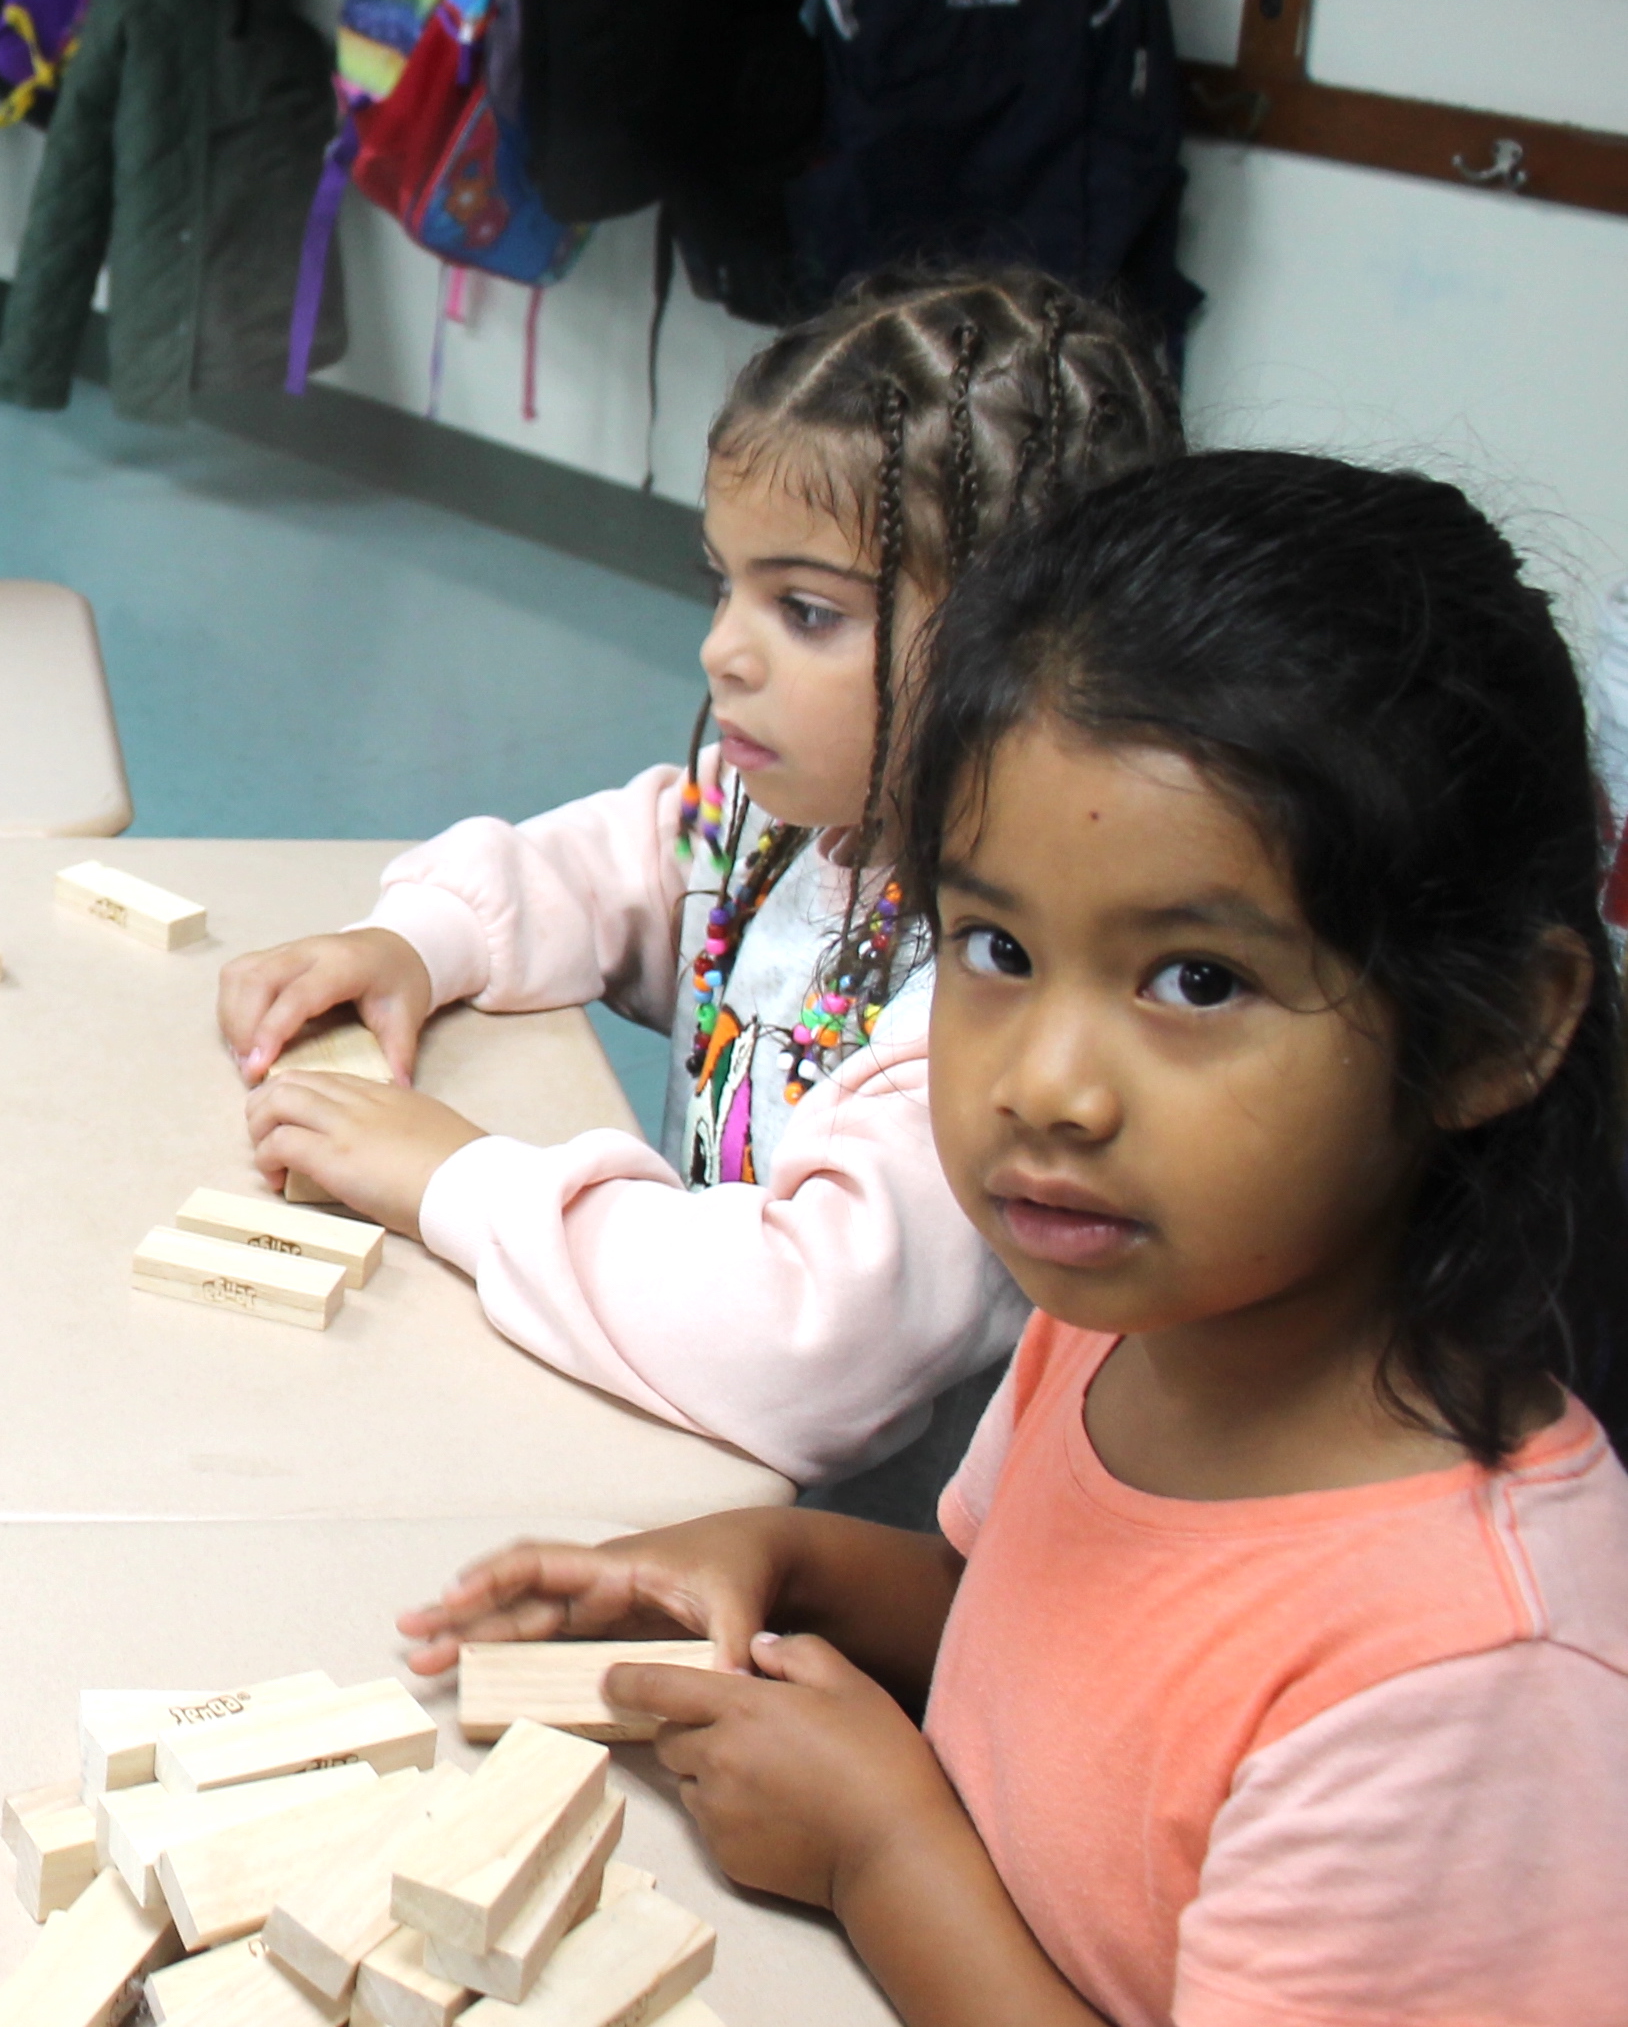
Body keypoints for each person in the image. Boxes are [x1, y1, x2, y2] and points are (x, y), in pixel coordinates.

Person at [399, 451, 1628, 2027]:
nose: (1045, 1086)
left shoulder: (1466, 1681)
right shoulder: (1136, 1311)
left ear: (1492, 1031)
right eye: (994, 946)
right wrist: (786, 1567)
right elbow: (1034, 1636)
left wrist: (882, 1857)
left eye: (1195, 981)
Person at [219, 269, 1178, 1497]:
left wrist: (454, 1178)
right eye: (722, 585)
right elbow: (607, 864)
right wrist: (418, 942)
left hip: (863, 1572)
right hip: (684, 1459)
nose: (721, 648)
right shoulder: (781, 818)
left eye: (806, 611)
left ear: (1023, 637)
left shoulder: (1004, 988)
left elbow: (808, 1340)